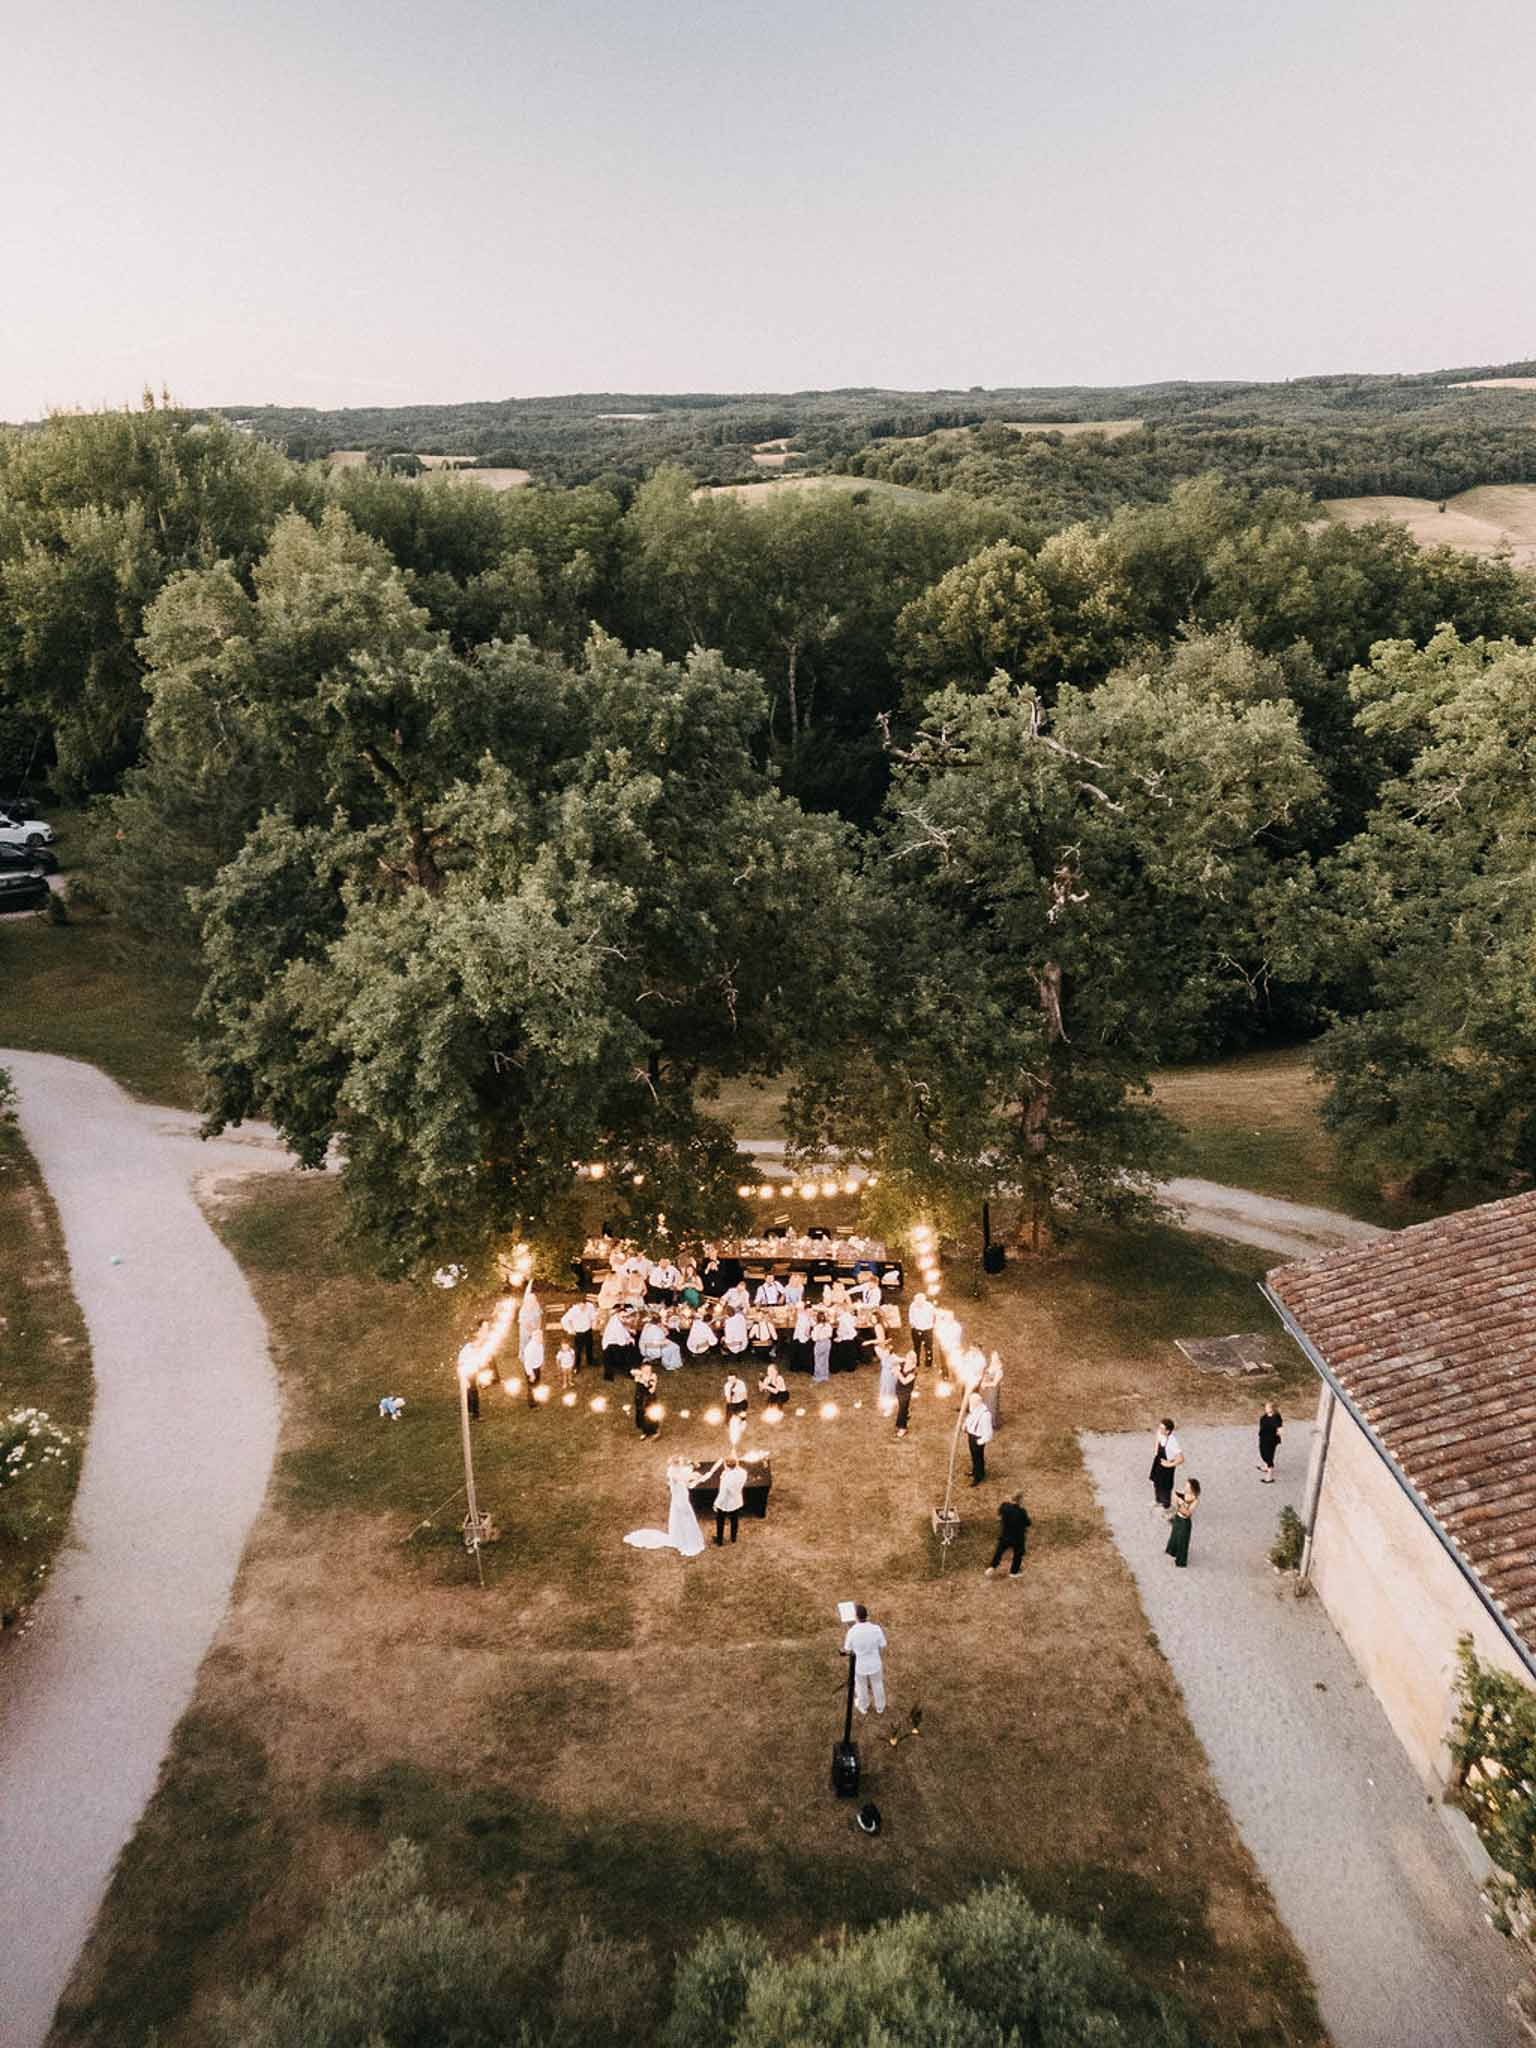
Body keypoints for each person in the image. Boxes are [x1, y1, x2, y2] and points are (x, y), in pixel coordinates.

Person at [623, 1456, 706, 1557]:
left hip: (682, 1496)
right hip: (680, 1500)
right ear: (675, 1464)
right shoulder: (673, 1473)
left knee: (685, 1517)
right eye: (679, 1463)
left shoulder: (676, 1470)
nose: (681, 1464)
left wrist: (692, 1474)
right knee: (685, 1517)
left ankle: (683, 1537)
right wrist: (695, 1477)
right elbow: (684, 1480)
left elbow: (685, 1478)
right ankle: (686, 1540)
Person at [842, 1604, 887, 1715]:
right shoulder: (876, 1629)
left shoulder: (852, 1631)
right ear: (867, 1615)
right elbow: (883, 1644)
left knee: (861, 1687)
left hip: (860, 1666)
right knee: (878, 1684)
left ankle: (863, 1706)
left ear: (856, 1617)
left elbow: (847, 1649)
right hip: (875, 1664)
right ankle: (880, 1707)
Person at [703, 1453, 748, 1544]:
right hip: (736, 1500)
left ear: (725, 1465)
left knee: (720, 1521)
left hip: (726, 1503)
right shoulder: (743, 1473)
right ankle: (733, 1538)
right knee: (734, 1519)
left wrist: (716, 1504)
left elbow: (723, 1494)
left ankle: (720, 1540)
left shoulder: (726, 1478)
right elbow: (739, 1470)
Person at [986, 1492, 1031, 1577]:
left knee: (999, 1551)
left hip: (1005, 1535)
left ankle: (992, 1566)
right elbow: (1028, 1523)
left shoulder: (1005, 1506)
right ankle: (1014, 1572)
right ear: (1020, 1500)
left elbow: (999, 1513)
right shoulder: (1022, 1512)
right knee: (1018, 1553)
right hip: (1017, 1537)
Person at [1150, 1419, 1183, 1516]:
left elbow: (1181, 1459)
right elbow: (1157, 1439)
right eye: (1159, 1427)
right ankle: (1158, 1500)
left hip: (1167, 1466)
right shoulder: (1160, 1433)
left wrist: (1169, 1464)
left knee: (1165, 1487)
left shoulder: (1173, 1442)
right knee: (1156, 1482)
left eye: (1161, 1428)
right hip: (1158, 1461)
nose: (1159, 1429)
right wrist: (1156, 1451)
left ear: (1168, 1431)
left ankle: (1167, 1507)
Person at [1166, 1478, 1200, 1567]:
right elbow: (1174, 1493)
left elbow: (1188, 1513)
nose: (1185, 1487)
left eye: (1187, 1486)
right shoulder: (1183, 1493)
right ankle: (1172, 1551)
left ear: (1192, 1488)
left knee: (1183, 1541)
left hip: (1184, 1522)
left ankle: (1180, 1561)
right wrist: (1176, 1499)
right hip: (1178, 1517)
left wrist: (1181, 1503)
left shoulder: (1195, 1500)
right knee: (1174, 1535)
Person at [561, 1295, 597, 1373]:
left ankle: (590, 1361)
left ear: (586, 1303)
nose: (582, 1307)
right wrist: (570, 1330)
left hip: (588, 1330)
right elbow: (564, 1320)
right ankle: (577, 1365)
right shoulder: (573, 1311)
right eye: (580, 1305)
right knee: (578, 1350)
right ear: (576, 1304)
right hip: (578, 1333)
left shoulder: (590, 1307)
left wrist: (593, 1322)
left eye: (584, 1305)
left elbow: (593, 1315)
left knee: (589, 1346)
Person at [964, 1390, 993, 1483]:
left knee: (978, 1457)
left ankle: (979, 1476)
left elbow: (988, 1433)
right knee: (973, 1456)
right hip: (971, 1435)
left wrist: (980, 1441)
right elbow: (970, 1418)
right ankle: (975, 1470)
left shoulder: (985, 1415)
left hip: (978, 1438)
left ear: (978, 1402)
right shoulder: (974, 1408)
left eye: (972, 1402)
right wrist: (965, 1425)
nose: (970, 1404)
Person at [601, 1308, 634, 1381]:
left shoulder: (616, 1318)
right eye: (623, 1317)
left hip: (614, 1342)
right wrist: (629, 1340)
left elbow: (624, 1330)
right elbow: (622, 1343)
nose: (625, 1318)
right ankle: (624, 1371)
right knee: (627, 1352)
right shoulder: (616, 1325)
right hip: (609, 1346)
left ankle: (622, 1368)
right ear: (618, 1315)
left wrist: (629, 1336)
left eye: (626, 1316)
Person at [908, 1289, 935, 1370]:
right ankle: (916, 1362)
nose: (917, 1304)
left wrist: (929, 1326)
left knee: (928, 1347)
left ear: (924, 1301)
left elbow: (933, 1318)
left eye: (919, 1302)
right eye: (916, 1302)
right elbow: (911, 1316)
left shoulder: (929, 1306)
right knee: (916, 1346)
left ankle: (928, 1364)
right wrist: (913, 1325)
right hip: (916, 1329)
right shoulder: (913, 1305)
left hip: (927, 1330)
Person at [633, 1357, 660, 1437]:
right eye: (645, 1369)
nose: (647, 1371)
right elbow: (632, 1372)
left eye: (649, 1370)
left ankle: (655, 1431)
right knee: (641, 1414)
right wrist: (641, 1375)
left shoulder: (653, 1376)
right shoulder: (638, 1376)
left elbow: (651, 1390)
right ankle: (645, 1431)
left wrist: (646, 1381)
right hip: (640, 1398)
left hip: (650, 1398)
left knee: (651, 1414)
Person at [1257, 1402, 1283, 1483]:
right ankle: (1265, 1467)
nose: (1265, 1408)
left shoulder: (1276, 1418)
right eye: (1265, 1407)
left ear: (1272, 1409)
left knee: (1269, 1456)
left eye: (1267, 1407)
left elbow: (1280, 1429)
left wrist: (1276, 1435)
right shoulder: (1265, 1416)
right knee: (1263, 1452)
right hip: (1263, 1438)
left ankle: (1269, 1477)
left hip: (1271, 1440)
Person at [893, 1349, 917, 1436]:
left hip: (906, 1393)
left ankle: (903, 1427)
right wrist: (896, 1370)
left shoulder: (913, 1372)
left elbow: (904, 1381)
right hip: (899, 1390)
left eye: (910, 1359)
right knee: (903, 1407)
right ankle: (906, 1413)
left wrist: (898, 1373)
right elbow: (895, 1370)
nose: (908, 1360)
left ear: (914, 1361)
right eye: (908, 1357)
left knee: (902, 1409)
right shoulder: (903, 1364)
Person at [980, 1350, 1004, 1429]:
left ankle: (993, 1423)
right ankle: (985, 1421)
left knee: (991, 1405)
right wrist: (983, 1381)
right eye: (993, 1356)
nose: (993, 1358)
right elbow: (986, 1374)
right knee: (985, 1404)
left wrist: (985, 1384)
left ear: (998, 1358)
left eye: (995, 1356)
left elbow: (995, 1383)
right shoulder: (991, 1366)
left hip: (992, 1391)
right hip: (986, 1390)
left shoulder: (999, 1370)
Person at [832, 1305, 859, 1374]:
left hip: (847, 1339)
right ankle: (847, 1366)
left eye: (837, 1311)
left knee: (835, 1347)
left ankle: (837, 1368)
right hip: (846, 1338)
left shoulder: (844, 1318)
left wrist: (841, 1338)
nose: (835, 1312)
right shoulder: (844, 1316)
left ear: (841, 1310)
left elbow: (852, 1331)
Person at [811, 1317, 833, 1383]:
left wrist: (812, 1334)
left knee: (818, 1360)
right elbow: (830, 1335)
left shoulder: (817, 1327)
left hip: (819, 1343)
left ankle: (818, 1376)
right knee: (825, 1359)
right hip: (827, 1342)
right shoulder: (829, 1326)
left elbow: (814, 1338)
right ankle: (825, 1375)